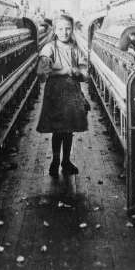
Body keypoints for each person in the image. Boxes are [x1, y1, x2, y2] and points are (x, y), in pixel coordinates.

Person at [36, 14, 89, 177]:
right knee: (58, 129)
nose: (64, 32)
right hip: (55, 95)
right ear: (55, 30)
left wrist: (79, 73)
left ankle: (66, 161)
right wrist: (64, 71)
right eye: (60, 29)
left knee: (68, 129)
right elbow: (41, 72)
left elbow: (86, 74)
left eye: (68, 28)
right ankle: (55, 160)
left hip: (72, 94)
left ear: (72, 29)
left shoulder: (76, 49)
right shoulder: (49, 48)